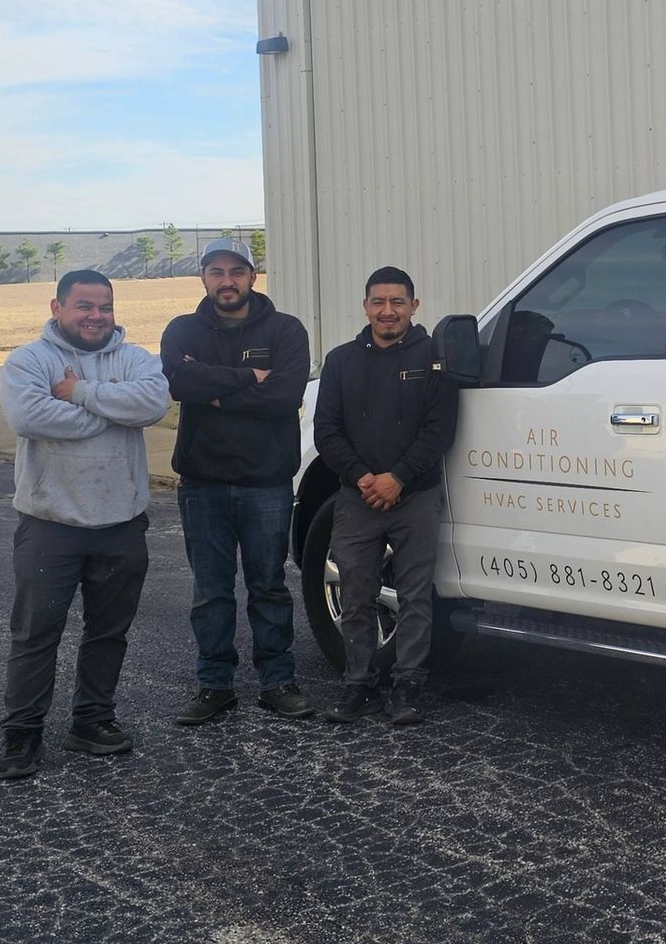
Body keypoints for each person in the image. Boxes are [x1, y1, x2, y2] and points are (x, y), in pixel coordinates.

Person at [0, 269, 169, 779]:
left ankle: (92, 720)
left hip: (120, 522)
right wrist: (112, 408)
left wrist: (75, 393)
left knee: (108, 632)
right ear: (57, 307)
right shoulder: (30, 360)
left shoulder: (135, 358)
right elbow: (29, 417)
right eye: (84, 306)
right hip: (50, 523)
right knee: (36, 632)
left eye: (104, 307)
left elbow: (153, 403)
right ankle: (21, 734)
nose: (96, 316)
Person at [161, 237, 314, 725]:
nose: (226, 281)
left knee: (268, 585)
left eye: (236, 271)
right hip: (202, 482)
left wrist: (215, 390)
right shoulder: (182, 329)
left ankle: (278, 681)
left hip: (266, 482)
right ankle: (214, 685)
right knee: (211, 590)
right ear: (203, 278)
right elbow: (179, 383)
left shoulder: (286, 330)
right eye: (215, 272)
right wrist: (250, 377)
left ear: (253, 275)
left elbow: (286, 395)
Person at [313, 266, 458, 726]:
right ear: (365, 306)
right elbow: (326, 431)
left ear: (415, 306)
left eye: (398, 302)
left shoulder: (436, 358)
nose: (388, 311)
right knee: (356, 594)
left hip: (415, 496)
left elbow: (439, 431)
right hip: (358, 498)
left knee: (416, 596)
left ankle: (407, 685)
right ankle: (357, 683)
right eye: (379, 301)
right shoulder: (340, 361)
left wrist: (397, 478)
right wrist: (364, 479)